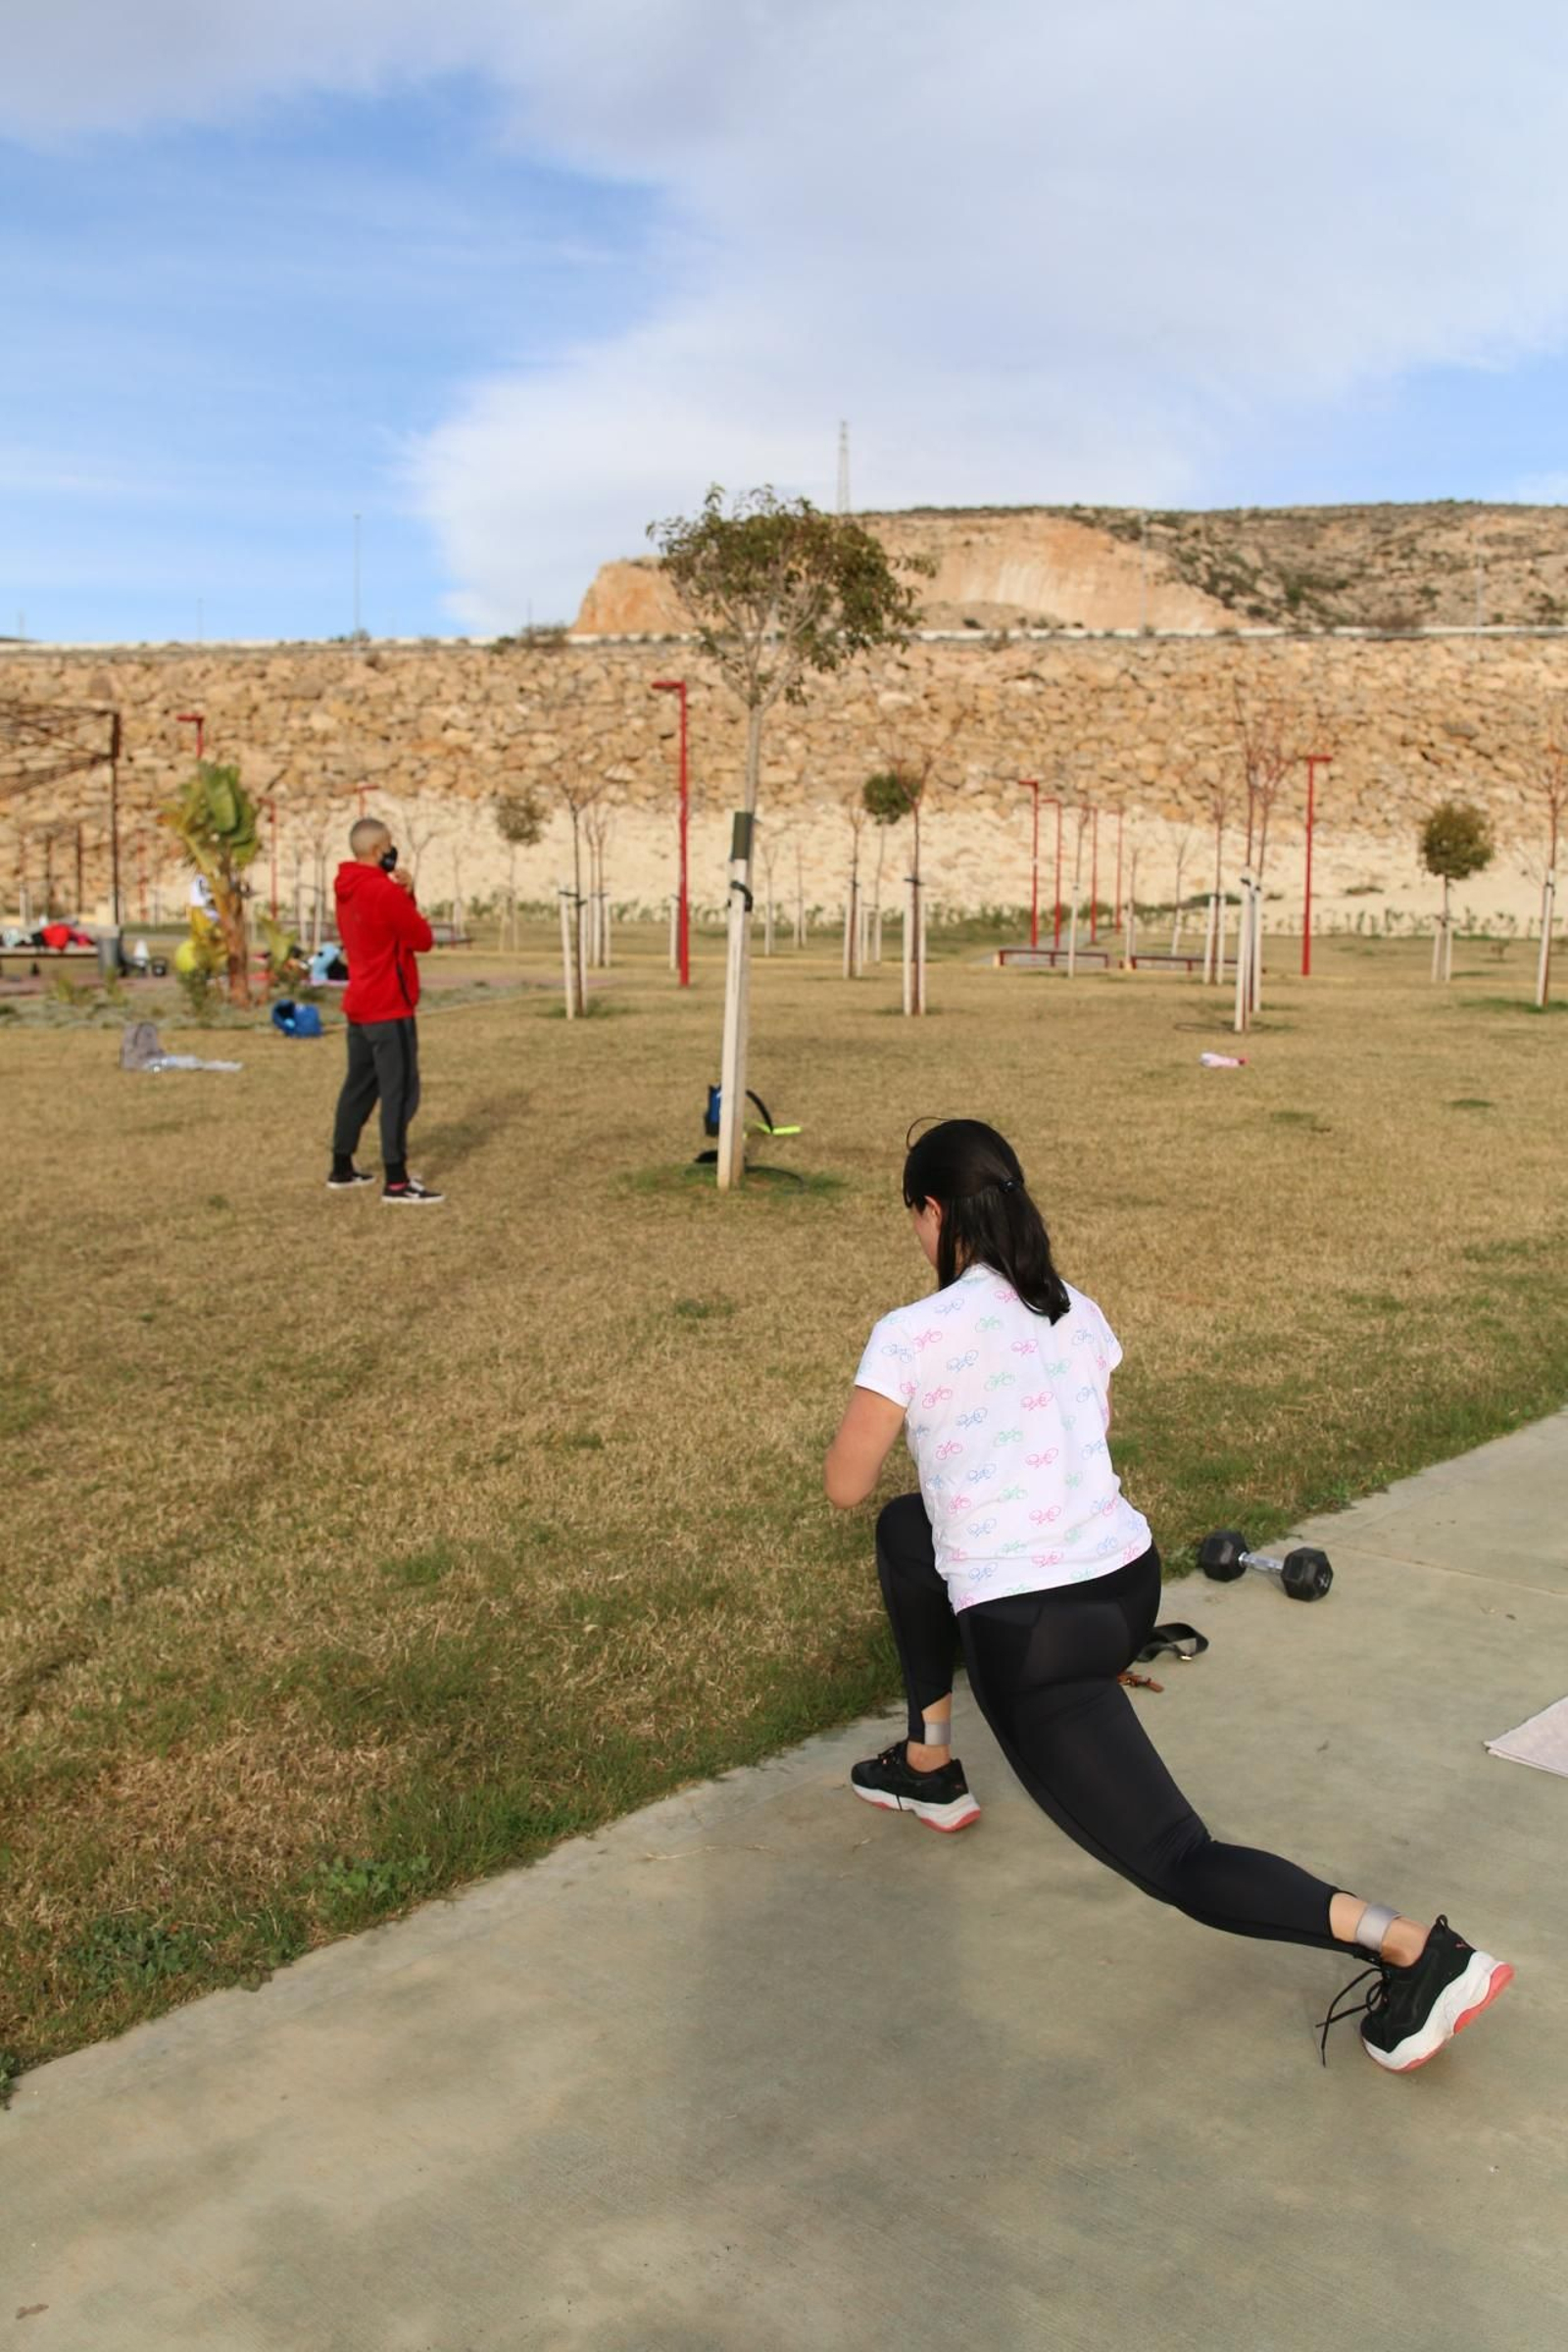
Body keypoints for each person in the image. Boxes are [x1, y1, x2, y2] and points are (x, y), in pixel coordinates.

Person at [823, 1118, 1512, 2075]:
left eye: (912, 1217)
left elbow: (844, 1482)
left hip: (1037, 1636)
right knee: (908, 1531)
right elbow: (1083, 1425)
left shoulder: (910, 1333)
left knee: (1179, 1861)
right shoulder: (1070, 1303)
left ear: (934, 1214)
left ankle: (1417, 1953)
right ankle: (927, 1761)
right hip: (1126, 1588)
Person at [326, 815, 443, 1204]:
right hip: (389, 1006)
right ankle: (397, 1180)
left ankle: (342, 1165)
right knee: (398, 1091)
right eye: (390, 846)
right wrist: (408, 895)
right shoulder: (383, 892)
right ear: (379, 851)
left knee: (358, 1086)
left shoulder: (345, 888)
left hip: (359, 1002)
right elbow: (421, 938)